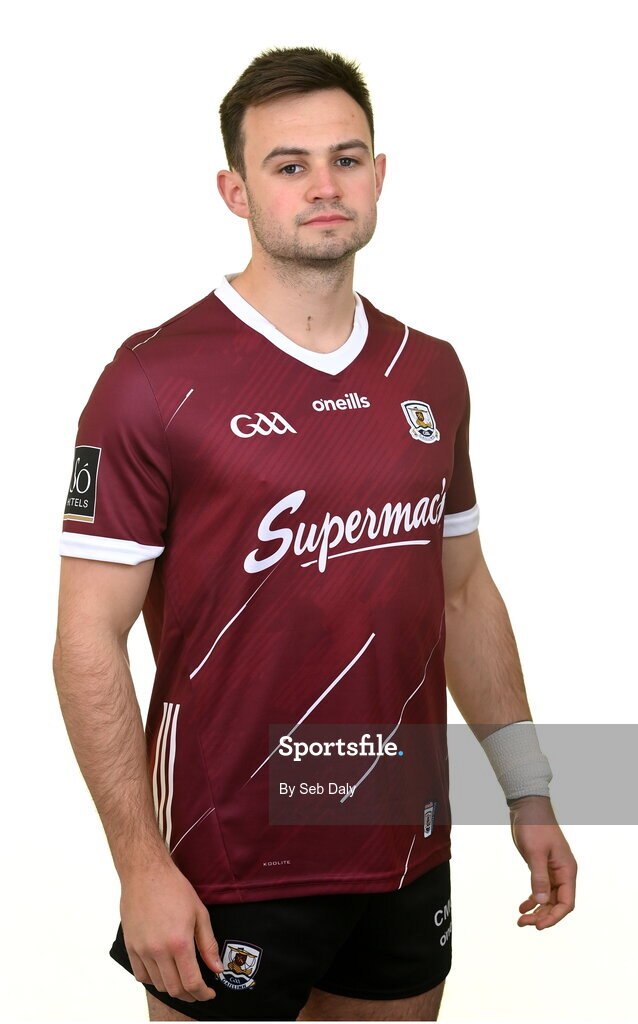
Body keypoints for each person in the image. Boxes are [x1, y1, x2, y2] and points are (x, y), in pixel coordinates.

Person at [53, 46, 577, 1023]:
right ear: (235, 191)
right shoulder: (152, 380)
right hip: (226, 853)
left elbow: (462, 593)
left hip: (402, 837)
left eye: (346, 158)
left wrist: (527, 791)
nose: (323, 185)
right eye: (288, 165)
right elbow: (86, 637)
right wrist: (138, 862)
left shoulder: (429, 371)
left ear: (379, 175)